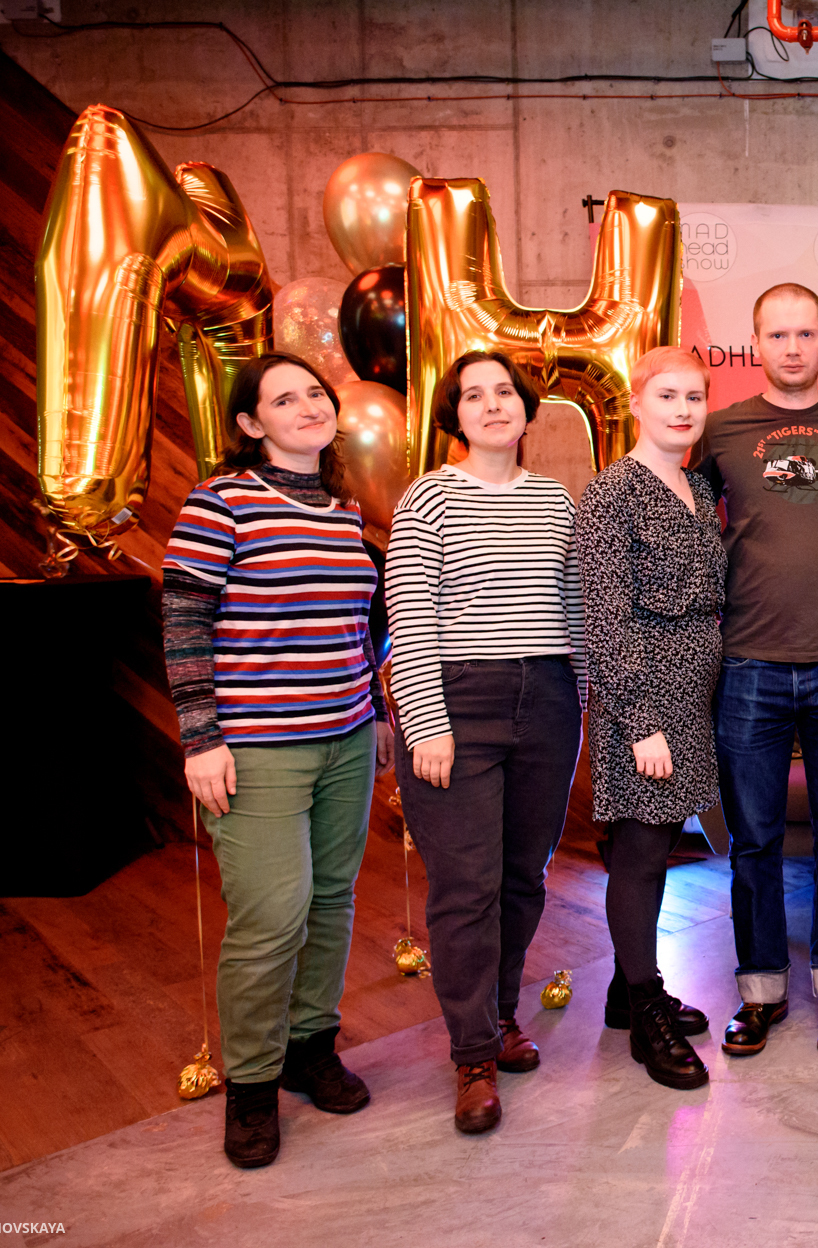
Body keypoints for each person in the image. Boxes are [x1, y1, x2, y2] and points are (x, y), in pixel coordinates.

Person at [161, 352, 394, 1169]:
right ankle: (252, 1085)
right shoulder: (220, 501)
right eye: (284, 399)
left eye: (315, 393)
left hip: (347, 738)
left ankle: (309, 1049)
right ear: (250, 423)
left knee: (330, 902)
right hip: (257, 747)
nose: (308, 406)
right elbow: (184, 621)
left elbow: (358, 629)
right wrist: (200, 738)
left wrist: (378, 712)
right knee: (270, 917)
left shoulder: (343, 510)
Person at [386, 351, 587, 1135]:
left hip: (548, 700)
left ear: (527, 409)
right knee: (465, 888)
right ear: (456, 416)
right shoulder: (429, 497)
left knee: (522, 878)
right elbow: (410, 616)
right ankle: (472, 1055)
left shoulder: (552, 499)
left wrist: (583, 701)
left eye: (505, 391)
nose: (493, 404)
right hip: (458, 702)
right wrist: (425, 721)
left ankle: (501, 1016)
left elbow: (572, 608)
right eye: (474, 395)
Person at [695, 282, 818, 1058]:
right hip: (749, 663)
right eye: (776, 335)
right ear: (756, 344)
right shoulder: (719, 431)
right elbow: (686, 528)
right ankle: (760, 991)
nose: (792, 347)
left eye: (805, 333)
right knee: (753, 840)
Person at [575, 345, 726, 1090]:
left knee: (660, 843)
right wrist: (641, 721)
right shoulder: (611, 493)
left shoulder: (696, 484)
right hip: (645, 699)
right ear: (635, 403)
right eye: (666, 395)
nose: (682, 409)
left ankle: (625, 989)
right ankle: (645, 1016)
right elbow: (604, 617)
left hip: (692, 698)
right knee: (638, 854)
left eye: (694, 397)